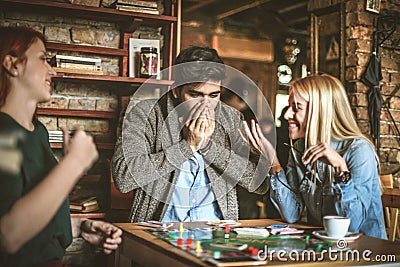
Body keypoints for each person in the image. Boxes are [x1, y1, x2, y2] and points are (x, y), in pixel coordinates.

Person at [0, 26, 122, 266]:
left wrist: (78, 227)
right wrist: (74, 163)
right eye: (43, 59)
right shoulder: (4, 134)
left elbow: (32, 213)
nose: (52, 70)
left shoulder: (39, 133)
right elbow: (8, 235)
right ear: (12, 64)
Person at [112, 46, 270, 223]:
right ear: (176, 90)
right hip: (158, 231)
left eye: (213, 95)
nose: (205, 105)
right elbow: (124, 178)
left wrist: (209, 148)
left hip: (216, 233)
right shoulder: (145, 113)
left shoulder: (231, 118)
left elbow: (259, 183)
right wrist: (188, 146)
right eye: (195, 95)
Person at [241, 74, 387, 239]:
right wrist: (272, 161)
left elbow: (352, 226)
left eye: (296, 107)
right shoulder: (298, 149)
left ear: (321, 111)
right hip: (323, 249)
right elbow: (291, 215)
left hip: (366, 254)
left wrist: (341, 170)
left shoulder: (358, 150)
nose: (287, 114)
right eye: (289, 106)